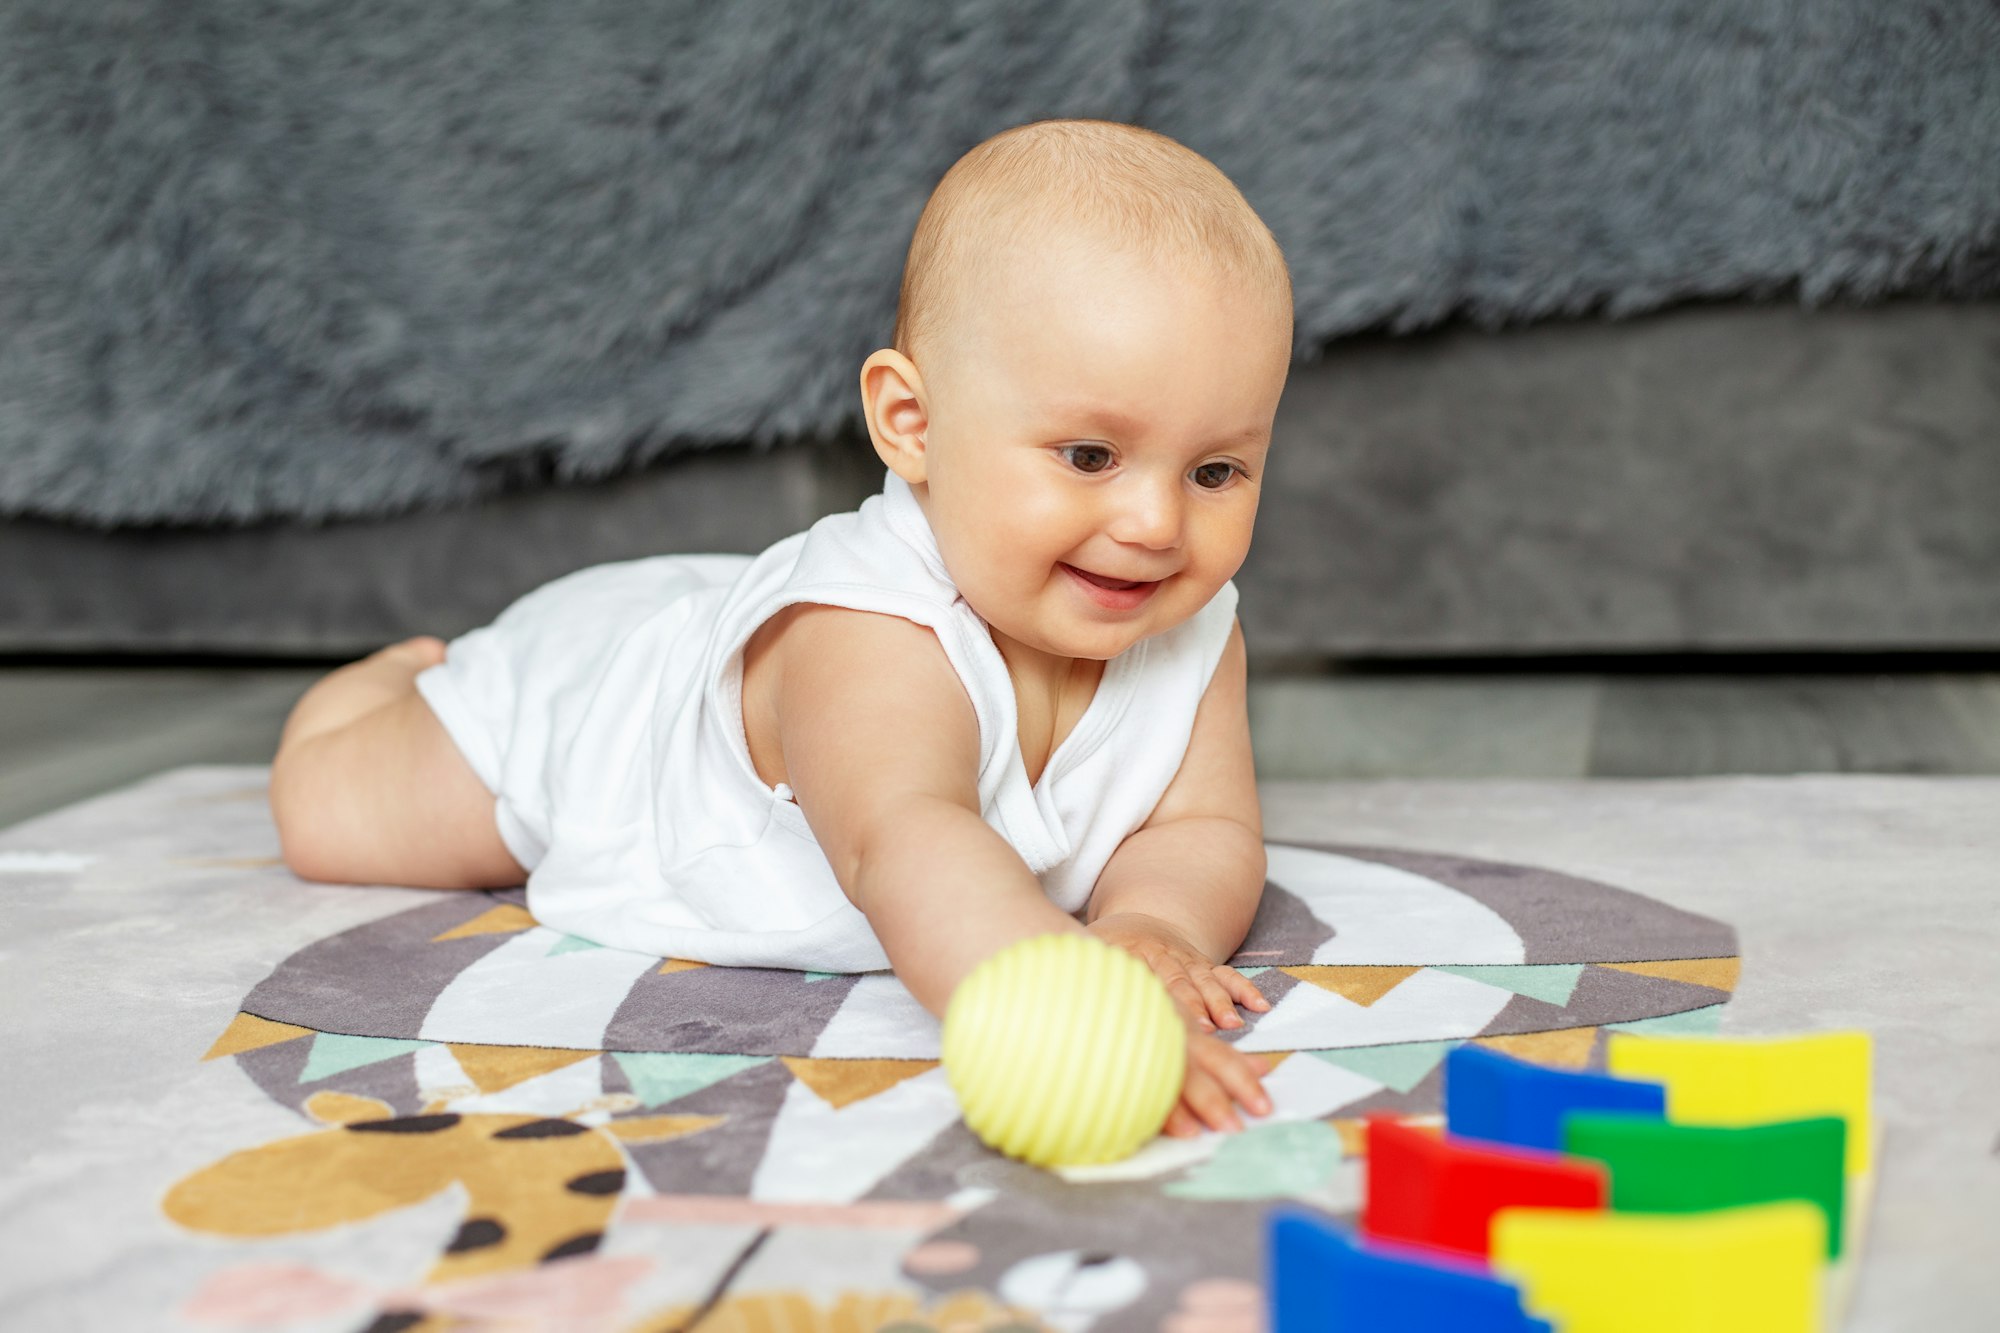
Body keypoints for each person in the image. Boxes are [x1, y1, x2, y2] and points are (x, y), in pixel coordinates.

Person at [269, 118, 1294, 1139]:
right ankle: (376, 685)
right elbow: (907, 837)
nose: (1155, 524)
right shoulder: (866, 634)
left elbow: (1198, 826)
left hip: (728, 628)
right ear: (911, 423)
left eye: (1215, 471)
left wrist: (1150, 923)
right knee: (333, 819)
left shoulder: (1194, 626)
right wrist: (1060, 1004)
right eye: (1087, 456)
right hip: (606, 721)